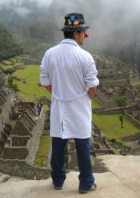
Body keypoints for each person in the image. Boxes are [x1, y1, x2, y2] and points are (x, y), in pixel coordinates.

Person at [40, 13, 99, 194]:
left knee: (58, 144)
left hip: (59, 106)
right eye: (83, 33)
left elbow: (45, 82)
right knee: (82, 146)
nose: (84, 37)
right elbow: (92, 86)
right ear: (76, 34)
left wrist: (59, 94)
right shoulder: (85, 56)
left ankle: (58, 180)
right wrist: (84, 98)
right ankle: (85, 183)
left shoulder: (49, 54)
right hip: (80, 106)